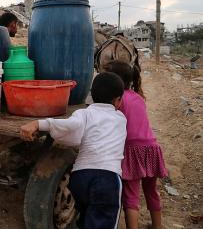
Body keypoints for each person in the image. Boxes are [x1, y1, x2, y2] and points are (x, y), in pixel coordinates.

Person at [20, 72, 127, 229]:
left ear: (91, 95)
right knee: (102, 220)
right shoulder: (121, 119)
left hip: (80, 178)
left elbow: (69, 126)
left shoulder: (84, 113)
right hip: (107, 179)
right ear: (118, 101)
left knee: (86, 217)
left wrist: (38, 124)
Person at [104, 60, 167, 229]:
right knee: (151, 192)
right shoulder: (138, 97)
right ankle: (157, 226)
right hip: (152, 148)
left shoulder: (117, 100)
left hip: (132, 151)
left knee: (131, 196)